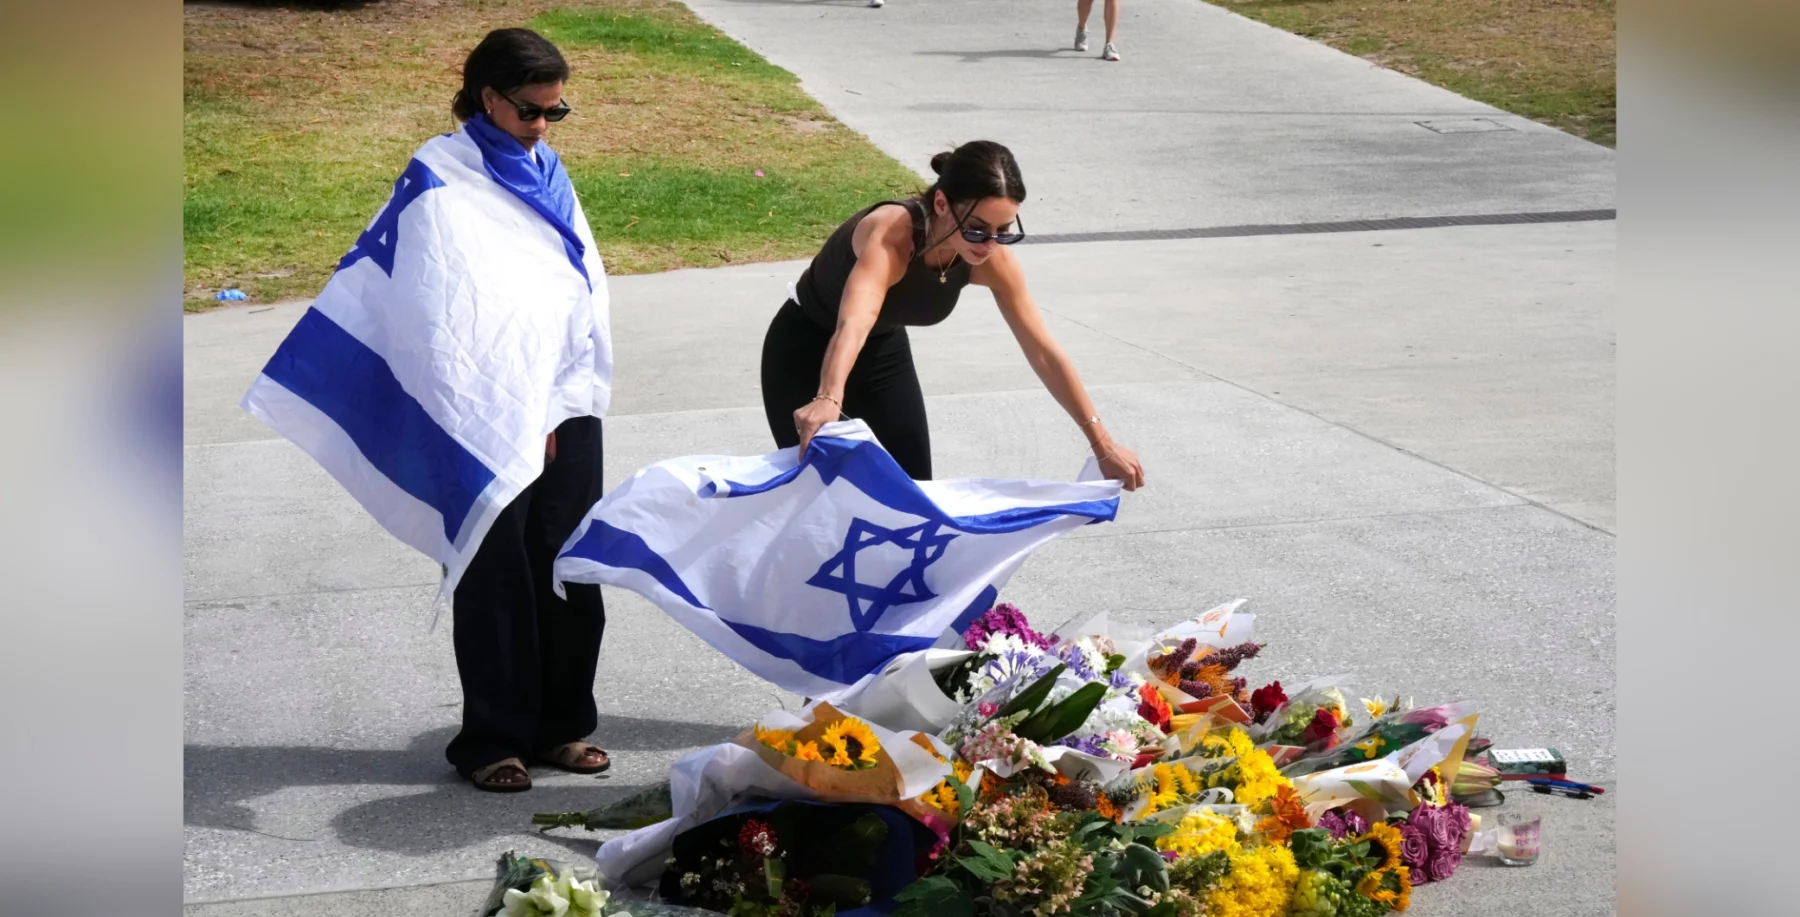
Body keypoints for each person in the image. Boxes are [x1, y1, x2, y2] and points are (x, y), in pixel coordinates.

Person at [760, 140, 1146, 491]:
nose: (991, 244)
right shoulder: (894, 233)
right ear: (942, 204)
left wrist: (1103, 445)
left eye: (1004, 231)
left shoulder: (992, 260)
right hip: (805, 349)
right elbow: (855, 322)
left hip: (883, 353)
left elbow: (1043, 351)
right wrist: (827, 396)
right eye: (978, 230)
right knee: (824, 497)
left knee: (912, 498)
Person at [441, 29, 612, 793]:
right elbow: (455, 304)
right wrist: (519, 406)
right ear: (488, 99)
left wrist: (562, 398)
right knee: (498, 567)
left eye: (556, 110)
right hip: (490, 401)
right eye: (531, 110)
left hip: (567, 395)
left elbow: (569, 285)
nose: (544, 124)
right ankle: (493, 740)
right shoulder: (444, 175)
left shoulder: (547, 166)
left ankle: (561, 724)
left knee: (570, 559)